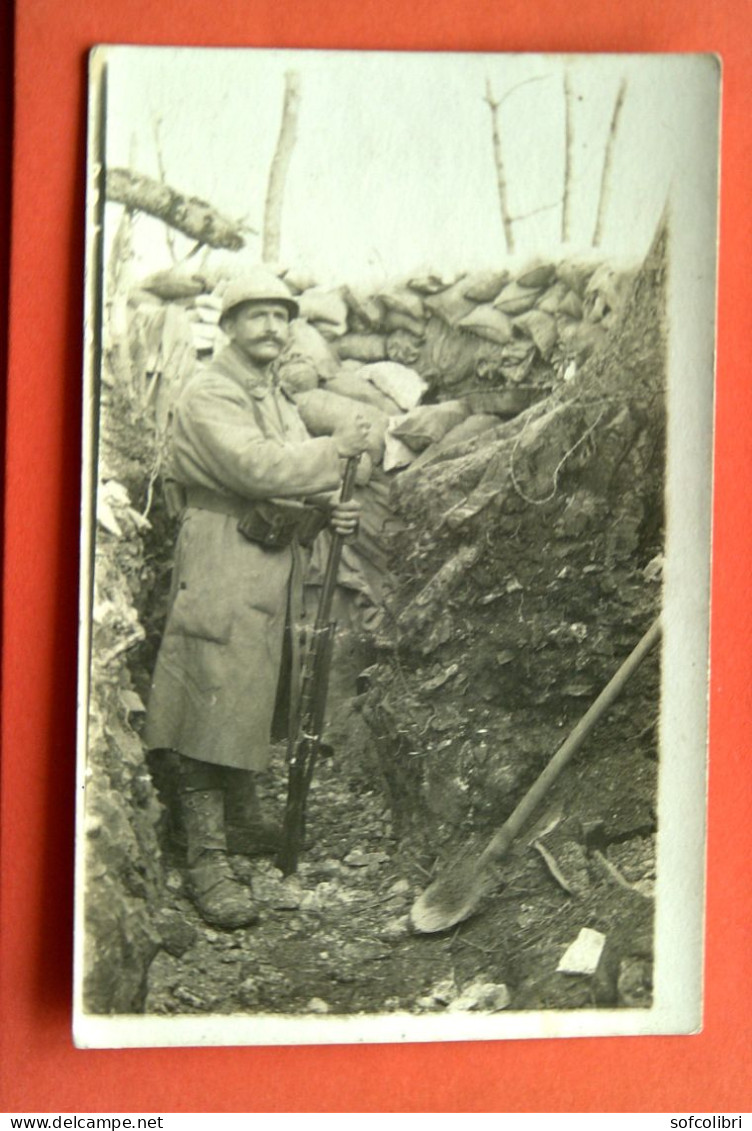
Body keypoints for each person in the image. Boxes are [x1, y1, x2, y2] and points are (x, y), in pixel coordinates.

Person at [144, 267, 370, 930]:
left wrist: (329, 509)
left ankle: (241, 817)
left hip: (267, 554)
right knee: (208, 680)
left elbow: (292, 471)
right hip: (220, 549)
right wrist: (336, 451)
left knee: (251, 683)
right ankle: (204, 856)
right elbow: (256, 468)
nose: (272, 327)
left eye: (281, 316)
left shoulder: (274, 397)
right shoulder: (211, 392)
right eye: (256, 316)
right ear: (229, 326)